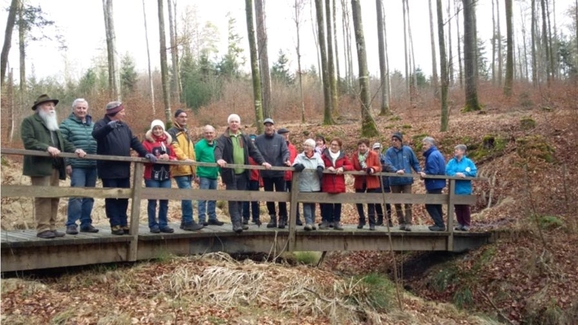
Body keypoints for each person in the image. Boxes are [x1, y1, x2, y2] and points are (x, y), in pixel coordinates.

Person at [21, 94, 87, 239]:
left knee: (54, 196)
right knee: (43, 196)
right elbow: (28, 141)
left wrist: (75, 149)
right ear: (39, 107)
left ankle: (51, 227)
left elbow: (63, 142)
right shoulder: (30, 121)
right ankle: (43, 228)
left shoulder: (53, 124)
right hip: (40, 166)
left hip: (56, 166)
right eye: (48, 105)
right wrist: (47, 148)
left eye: (53, 105)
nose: (51, 108)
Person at [92, 101, 156, 235]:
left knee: (124, 197)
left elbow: (134, 142)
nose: (124, 113)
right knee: (111, 197)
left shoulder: (124, 126)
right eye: (122, 111)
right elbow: (96, 135)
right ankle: (114, 223)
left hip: (123, 169)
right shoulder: (101, 124)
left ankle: (123, 222)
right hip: (108, 169)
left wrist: (146, 153)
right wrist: (109, 127)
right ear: (114, 113)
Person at [215, 114, 271, 233]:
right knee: (233, 199)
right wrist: (219, 159)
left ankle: (239, 221)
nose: (234, 124)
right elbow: (218, 149)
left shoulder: (244, 137)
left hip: (243, 174)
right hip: (230, 174)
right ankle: (236, 223)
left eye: (236, 121)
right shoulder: (223, 138)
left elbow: (254, 151)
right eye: (232, 122)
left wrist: (263, 162)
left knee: (240, 198)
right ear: (229, 124)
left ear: (239, 124)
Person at [59, 98, 99, 235]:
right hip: (77, 166)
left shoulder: (93, 125)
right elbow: (61, 143)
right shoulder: (66, 124)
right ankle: (71, 224)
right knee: (76, 194)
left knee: (89, 195)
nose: (81, 110)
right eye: (79, 108)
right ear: (74, 109)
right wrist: (67, 163)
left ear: (87, 109)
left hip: (92, 165)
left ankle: (86, 223)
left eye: (84, 108)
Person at [167, 109, 206, 231]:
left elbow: (191, 151)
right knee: (187, 194)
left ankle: (185, 221)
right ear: (176, 118)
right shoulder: (172, 132)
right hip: (180, 168)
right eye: (181, 117)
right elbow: (175, 148)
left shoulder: (185, 132)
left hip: (189, 169)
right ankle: (188, 220)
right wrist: (185, 159)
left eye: (186, 117)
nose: (184, 119)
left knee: (187, 195)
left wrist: (194, 170)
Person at [254, 118, 291, 228]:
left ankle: (283, 217)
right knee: (269, 196)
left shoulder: (280, 139)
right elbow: (255, 152)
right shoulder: (258, 139)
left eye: (270, 125)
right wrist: (262, 162)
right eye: (266, 125)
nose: (268, 127)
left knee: (281, 195)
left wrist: (286, 160)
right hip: (266, 173)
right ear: (264, 127)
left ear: (274, 126)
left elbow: (285, 151)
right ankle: (272, 217)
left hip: (279, 172)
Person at [142, 120, 177, 233]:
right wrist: (156, 159)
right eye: (155, 128)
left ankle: (163, 224)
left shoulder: (168, 143)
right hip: (151, 176)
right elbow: (143, 159)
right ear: (152, 130)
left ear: (163, 130)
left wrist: (169, 158)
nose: (158, 131)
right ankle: (153, 225)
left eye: (160, 128)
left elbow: (175, 158)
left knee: (164, 200)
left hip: (166, 176)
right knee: (152, 201)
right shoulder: (147, 143)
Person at [385, 132, 422, 232]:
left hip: (406, 180)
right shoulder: (389, 152)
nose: (394, 142)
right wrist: (396, 171)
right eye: (392, 140)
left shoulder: (408, 150)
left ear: (400, 141)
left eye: (396, 140)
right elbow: (387, 164)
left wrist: (419, 171)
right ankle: (401, 222)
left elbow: (414, 162)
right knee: (397, 202)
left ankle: (408, 222)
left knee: (408, 201)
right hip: (394, 180)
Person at [320, 138, 353, 230]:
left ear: (339, 147)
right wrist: (327, 168)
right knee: (327, 203)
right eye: (332, 144)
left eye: (336, 145)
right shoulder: (324, 155)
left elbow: (350, 166)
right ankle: (325, 221)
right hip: (328, 182)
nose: (333, 146)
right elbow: (319, 164)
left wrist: (342, 168)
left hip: (339, 183)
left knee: (338, 203)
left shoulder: (343, 156)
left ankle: (336, 222)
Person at [293, 139, 325, 231]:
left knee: (312, 204)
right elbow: (294, 164)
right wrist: (298, 167)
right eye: (304, 145)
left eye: (308, 146)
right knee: (306, 203)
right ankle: (308, 222)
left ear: (312, 148)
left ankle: (313, 222)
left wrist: (320, 168)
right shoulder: (300, 156)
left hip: (314, 183)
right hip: (304, 183)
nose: (305, 147)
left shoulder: (317, 156)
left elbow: (321, 164)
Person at [195, 125, 223, 227]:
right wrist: (196, 174)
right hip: (203, 175)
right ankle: (201, 219)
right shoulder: (199, 145)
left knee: (213, 197)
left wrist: (221, 175)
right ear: (204, 134)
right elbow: (196, 160)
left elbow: (220, 160)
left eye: (211, 133)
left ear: (214, 134)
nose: (209, 135)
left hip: (214, 175)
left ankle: (212, 217)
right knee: (203, 197)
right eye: (207, 133)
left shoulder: (217, 145)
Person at [352, 139, 382, 230]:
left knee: (371, 202)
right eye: (360, 146)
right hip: (360, 180)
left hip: (371, 180)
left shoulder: (373, 155)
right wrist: (357, 172)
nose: (361, 148)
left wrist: (372, 169)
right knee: (359, 201)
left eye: (363, 146)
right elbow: (352, 167)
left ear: (367, 147)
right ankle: (361, 220)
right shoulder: (355, 155)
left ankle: (372, 223)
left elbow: (379, 166)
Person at [446, 144, 477, 231]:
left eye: (457, 150)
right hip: (454, 188)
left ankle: (466, 224)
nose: (455, 151)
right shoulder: (451, 162)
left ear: (463, 151)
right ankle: (460, 223)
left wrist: (465, 174)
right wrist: (455, 174)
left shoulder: (468, 162)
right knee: (457, 207)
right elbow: (447, 170)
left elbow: (474, 171)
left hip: (465, 188)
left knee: (464, 206)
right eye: (455, 150)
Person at [419, 137, 447, 231]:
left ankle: (440, 224)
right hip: (438, 183)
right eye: (423, 144)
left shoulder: (432, 155)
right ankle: (440, 224)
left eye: (425, 144)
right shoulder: (437, 153)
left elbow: (433, 171)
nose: (423, 146)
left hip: (434, 183)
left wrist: (424, 174)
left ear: (430, 145)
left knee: (430, 204)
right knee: (436, 204)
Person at [278, 127, 302, 226]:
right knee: (282, 198)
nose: (286, 136)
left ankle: (296, 217)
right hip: (281, 176)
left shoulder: (293, 147)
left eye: (287, 134)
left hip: (292, 176)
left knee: (295, 196)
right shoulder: (277, 146)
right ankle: (283, 217)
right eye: (284, 134)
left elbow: (296, 160)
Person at [372, 142, 394, 227]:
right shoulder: (372, 159)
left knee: (386, 202)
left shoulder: (385, 158)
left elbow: (388, 167)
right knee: (377, 202)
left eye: (378, 148)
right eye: (375, 149)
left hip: (385, 182)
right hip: (375, 182)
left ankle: (389, 220)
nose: (377, 150)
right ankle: (380, 219)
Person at [242, 134, 262, 226]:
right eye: (251, 141)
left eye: (254, 142)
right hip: (245, 178)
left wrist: (261, 181)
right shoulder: (244, 152)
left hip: (255, 178)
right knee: (245, 199)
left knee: (255, 199)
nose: (252, 143)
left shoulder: (257, 153)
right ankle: (245, 217)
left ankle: (256, 217)